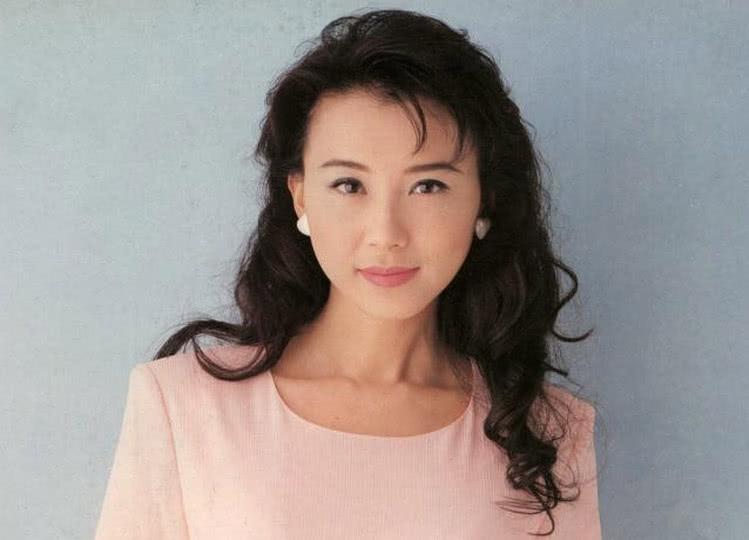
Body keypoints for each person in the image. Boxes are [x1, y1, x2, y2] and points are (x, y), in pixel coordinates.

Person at [94, 8, 601, 539]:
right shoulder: (182, 405)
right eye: (349, 185)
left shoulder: (545, 437)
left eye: (428, 186)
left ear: (484, 201)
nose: (386, 233)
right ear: (300, 196)